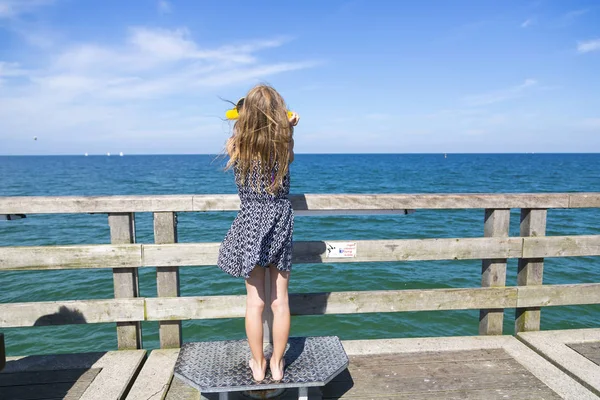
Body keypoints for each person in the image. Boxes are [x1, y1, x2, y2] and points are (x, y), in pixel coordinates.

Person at [217, 84, 299, 382]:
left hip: (252, 221)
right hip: (280, 219)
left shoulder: (238, 145)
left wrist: (244, 121)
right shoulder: (284, 144)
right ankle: (278, 364)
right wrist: (288, 126)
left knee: (256, 302)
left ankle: (258, 363)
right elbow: (286, 141)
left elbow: (239, 133)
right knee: (280, 301)